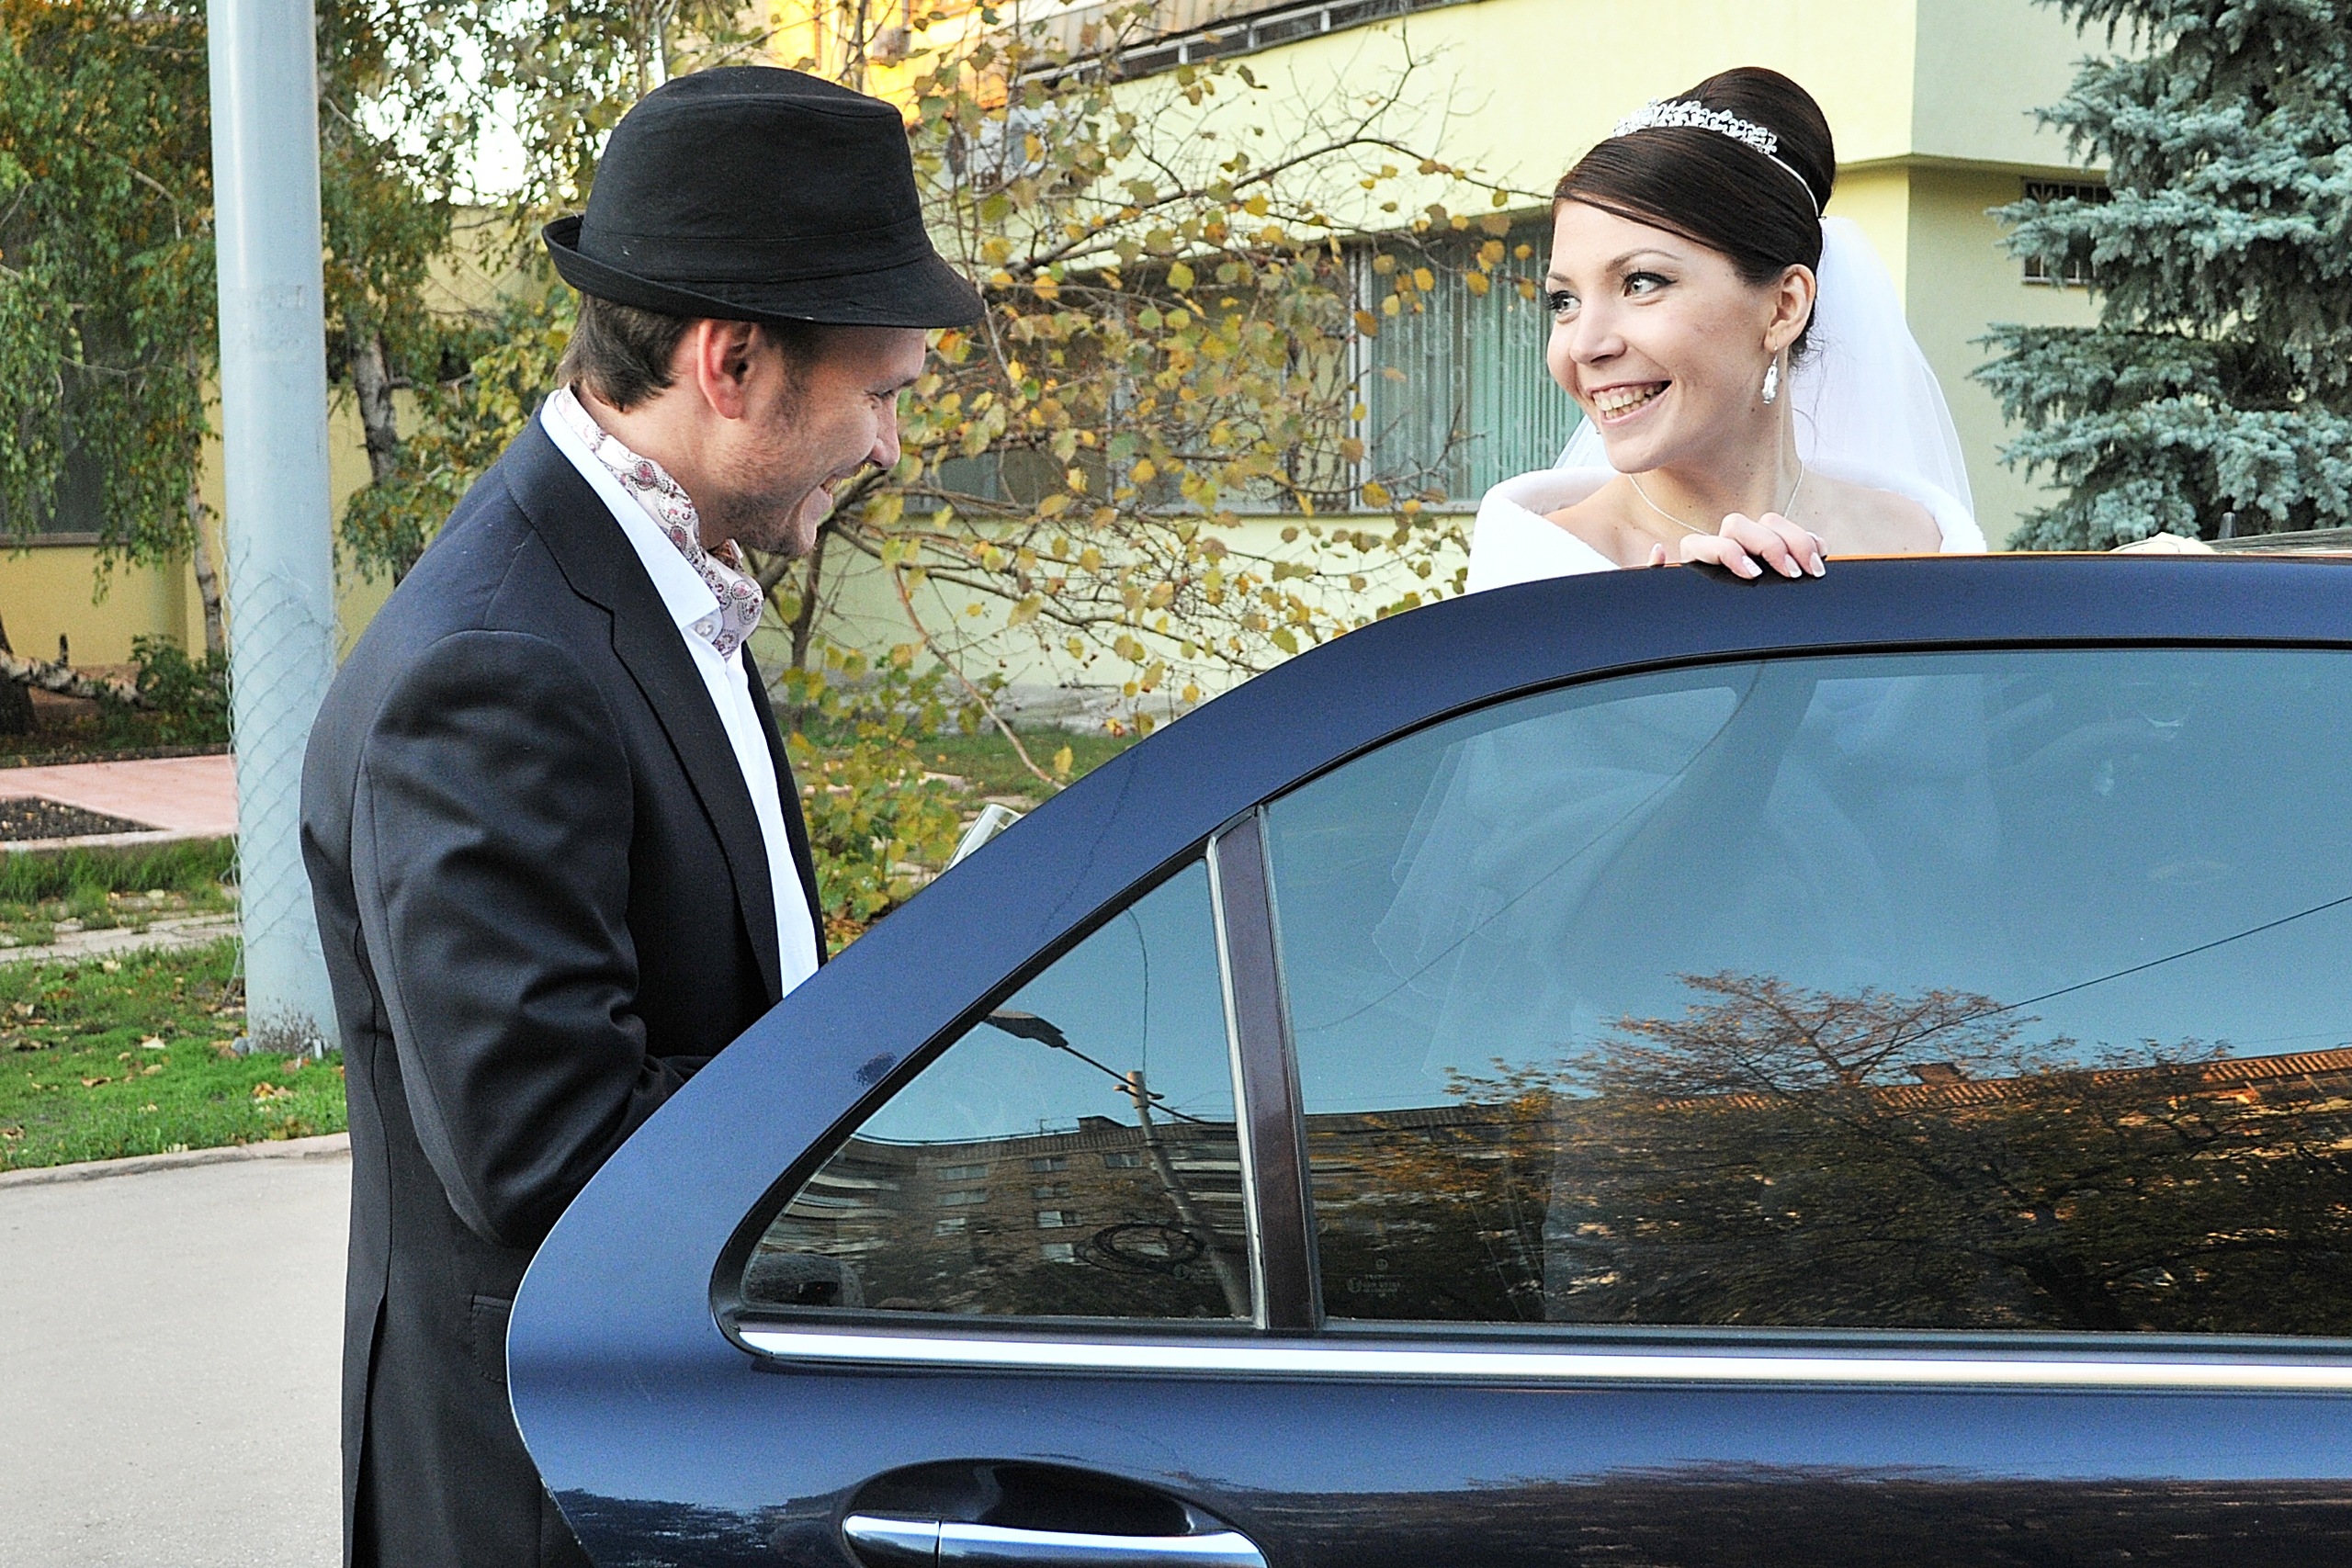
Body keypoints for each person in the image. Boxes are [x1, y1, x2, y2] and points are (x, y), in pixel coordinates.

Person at [300, 67, 980, 1567]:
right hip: (551, 1501)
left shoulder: (652, 577)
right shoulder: (496, 663)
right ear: (729, 362)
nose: (887, 443)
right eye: (879, 393)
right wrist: (904, 1088)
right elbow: (548, 1148)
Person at [1468, 68, 1984, 591]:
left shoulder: (1925, 547)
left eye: (1641, 283)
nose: (1585, 345)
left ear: (1783, 308)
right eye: (1565, 301)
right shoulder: (1537, 579)